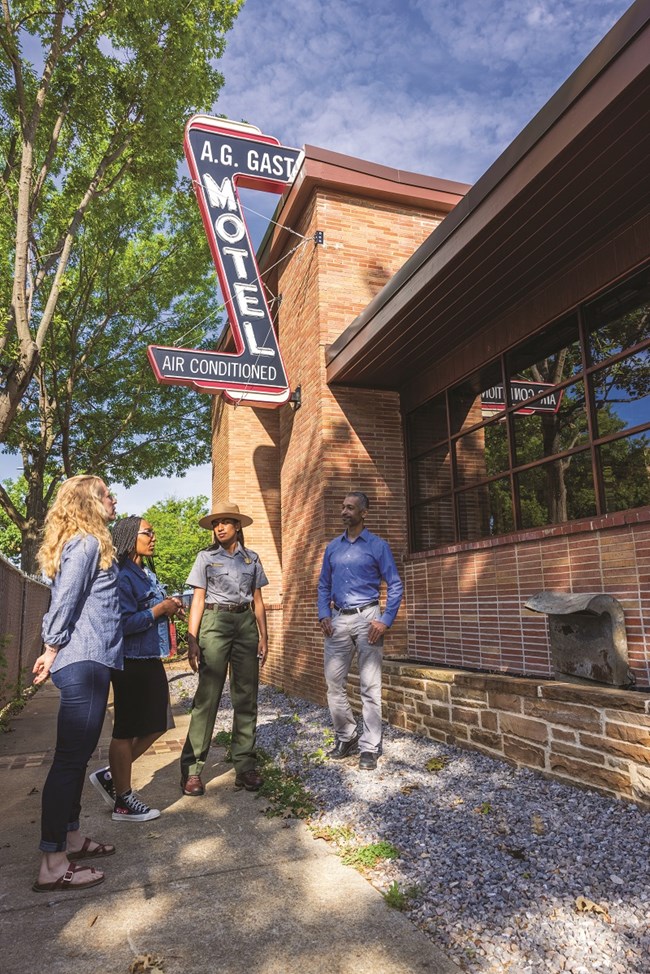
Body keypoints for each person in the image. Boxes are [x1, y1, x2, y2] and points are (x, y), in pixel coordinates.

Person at [31, 475, 123, 892]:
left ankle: (69, 838)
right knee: (69, 761)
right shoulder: (86, 543)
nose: (113, 498)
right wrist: (50, 649)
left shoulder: (87, 543)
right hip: (82, 659)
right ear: (90, 501)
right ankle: (52, 864)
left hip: (90, 657)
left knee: (77, 757)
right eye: (107, 493)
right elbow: (65, 598)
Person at [89, 516, 184, 822]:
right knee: (127, 728)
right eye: (148, 532)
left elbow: (150, 611)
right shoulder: (119, 575)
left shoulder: (144, 571)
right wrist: (159, 610)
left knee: (158, 722)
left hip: (149, 656)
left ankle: (112, 776)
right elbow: (121, 624)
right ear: (131, 537)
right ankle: (123, 800)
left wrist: (169, 607)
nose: (154, 536)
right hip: (128, 659)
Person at [179, 502, 269, 796]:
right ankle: (192, 771)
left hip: (245, 625)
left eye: (225, 522)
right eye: (216, 523)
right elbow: (199, 599)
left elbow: (257, 601)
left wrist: (263, 636)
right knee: (208, 697)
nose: (219, 527)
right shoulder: (205, 558)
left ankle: (245, 767)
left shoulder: (251, 559)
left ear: (237, 526)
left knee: (246, 696)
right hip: (215, 623)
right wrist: (192, 637)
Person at [317, 491, 403, 771]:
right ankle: (347, 735)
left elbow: (395, 584)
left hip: (369, 617)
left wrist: (385, 619)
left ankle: (370, 745)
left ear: (363, 513)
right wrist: (323, 614)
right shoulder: (333, 548)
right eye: (342, 506)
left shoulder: (378, 546)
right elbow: (323, 586)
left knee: (370, 685)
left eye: (350, 507)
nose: (344, 511)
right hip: (338, 619)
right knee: (333, 682)